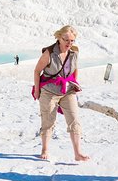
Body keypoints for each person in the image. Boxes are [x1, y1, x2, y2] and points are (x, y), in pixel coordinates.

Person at [33, 25, 89, 162]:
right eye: (66, 40)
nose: (69, 44)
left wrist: (74, 82)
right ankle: (45, 149)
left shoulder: (74, 52)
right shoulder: (49, 53)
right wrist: (37, 90)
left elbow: (75, 68)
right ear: (59, 38)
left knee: (74, 120)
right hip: (49, 91)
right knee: (48, 121)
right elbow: (37, 71)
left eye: (72, 41)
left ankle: (77, 153)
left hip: (67, 91)